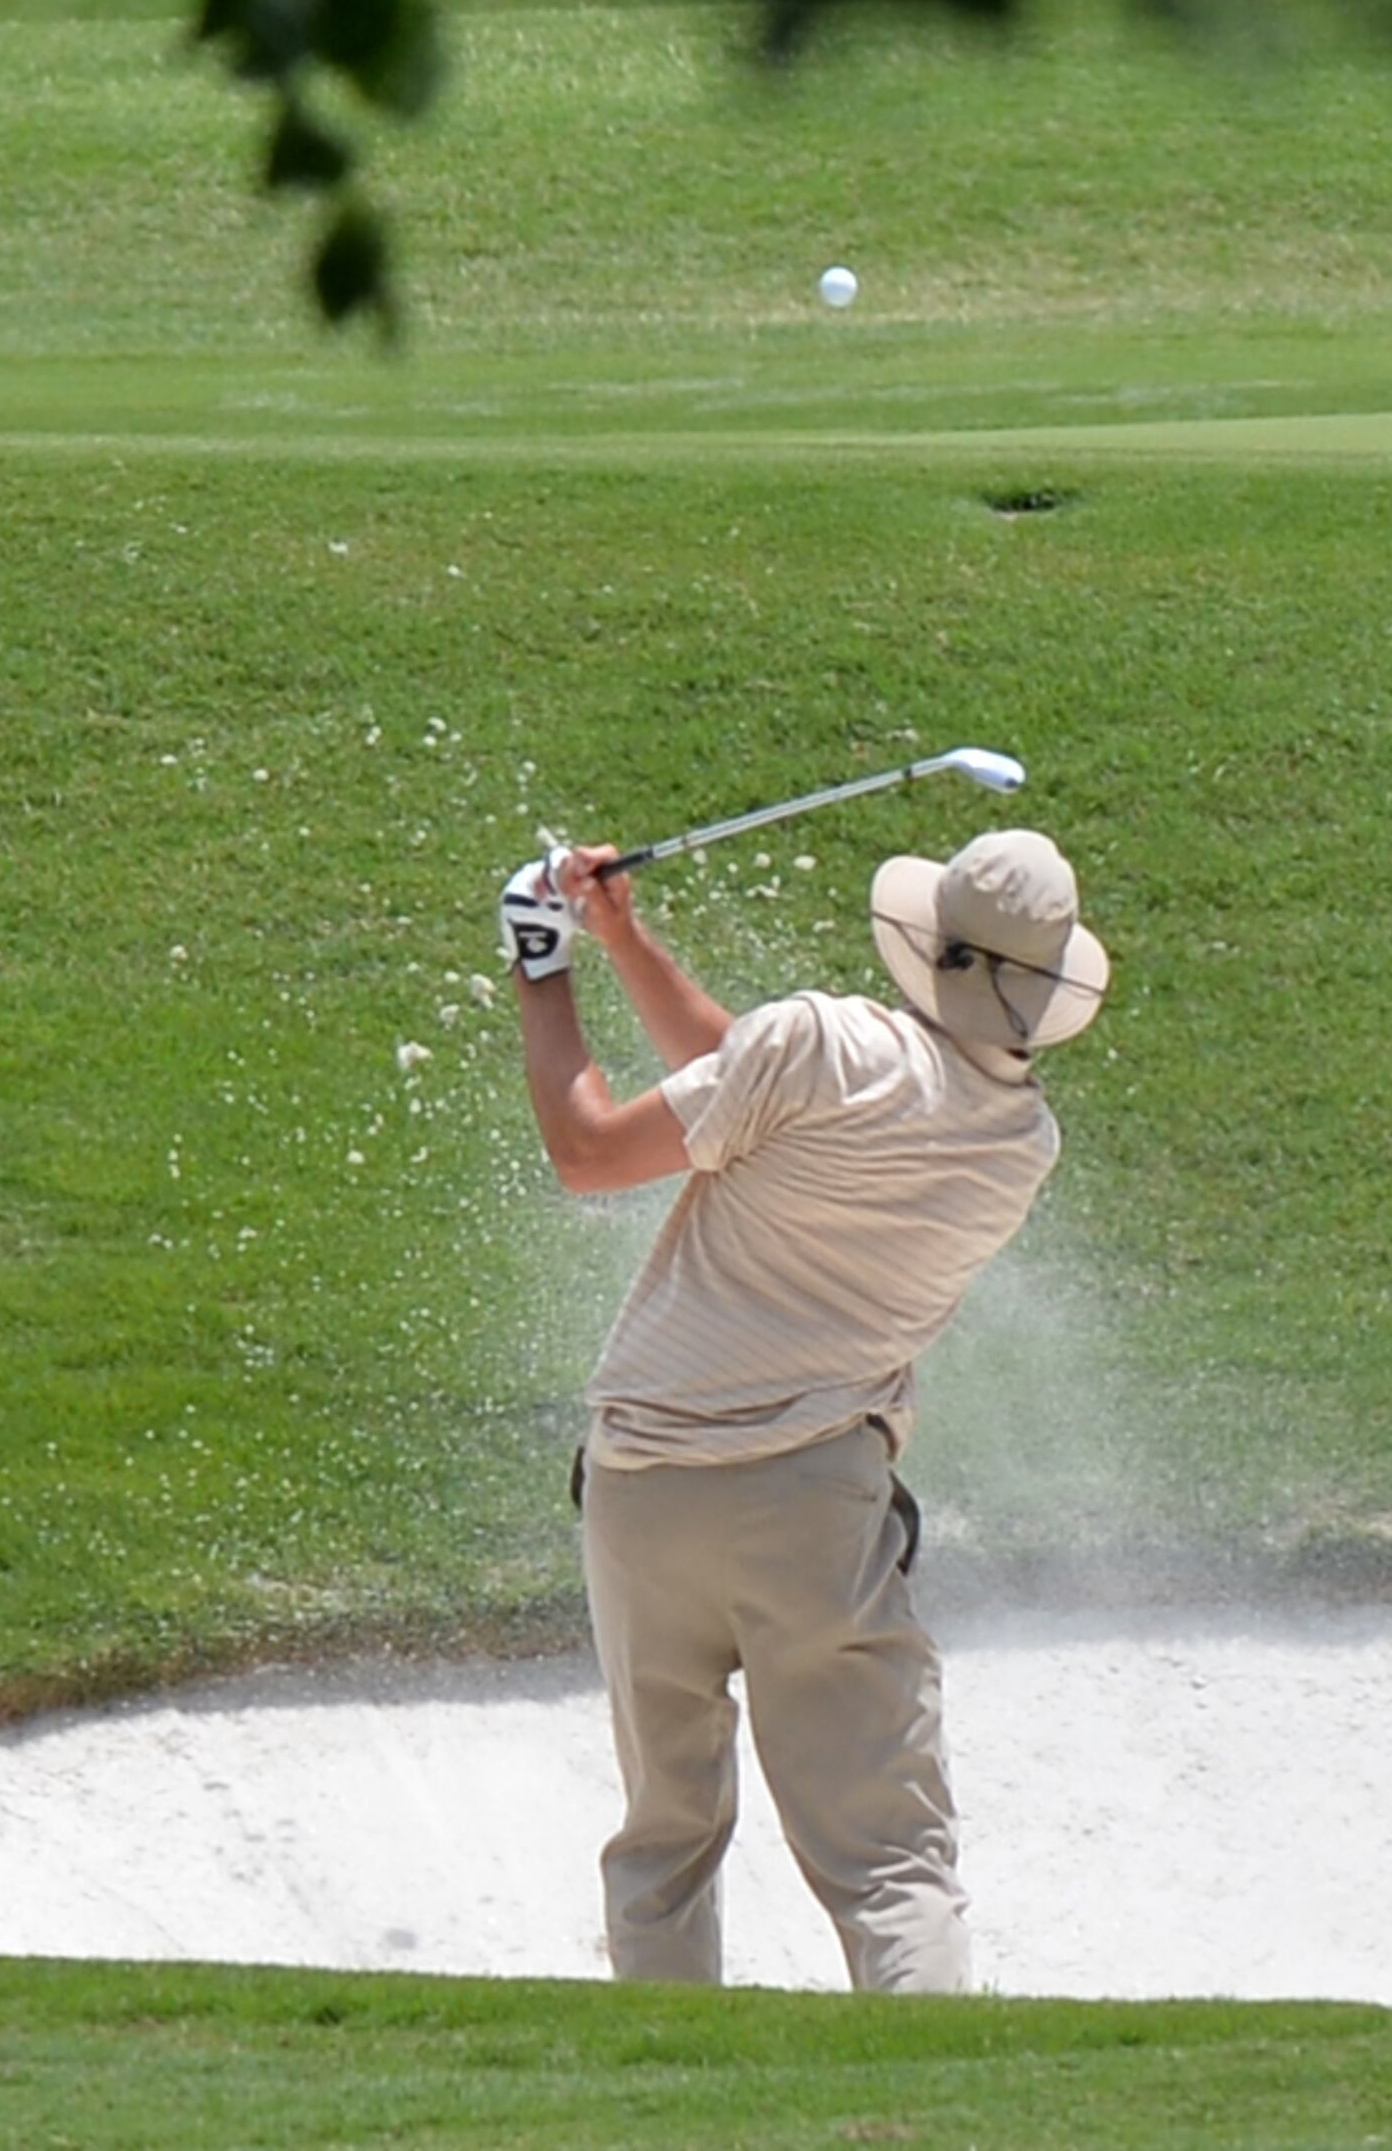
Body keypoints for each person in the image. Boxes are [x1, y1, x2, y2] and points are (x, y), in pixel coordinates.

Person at [496, 823, 1109, 1994]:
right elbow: (753, 1094)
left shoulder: (817, 1043)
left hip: (643, 1495)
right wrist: (628, 941)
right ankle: (933, 2119)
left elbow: (590, 1153)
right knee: (890, 1866)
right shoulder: (1020, 1143)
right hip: (815, 1511)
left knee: (663, 1847)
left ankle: (665, 2111)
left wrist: (545, 961)